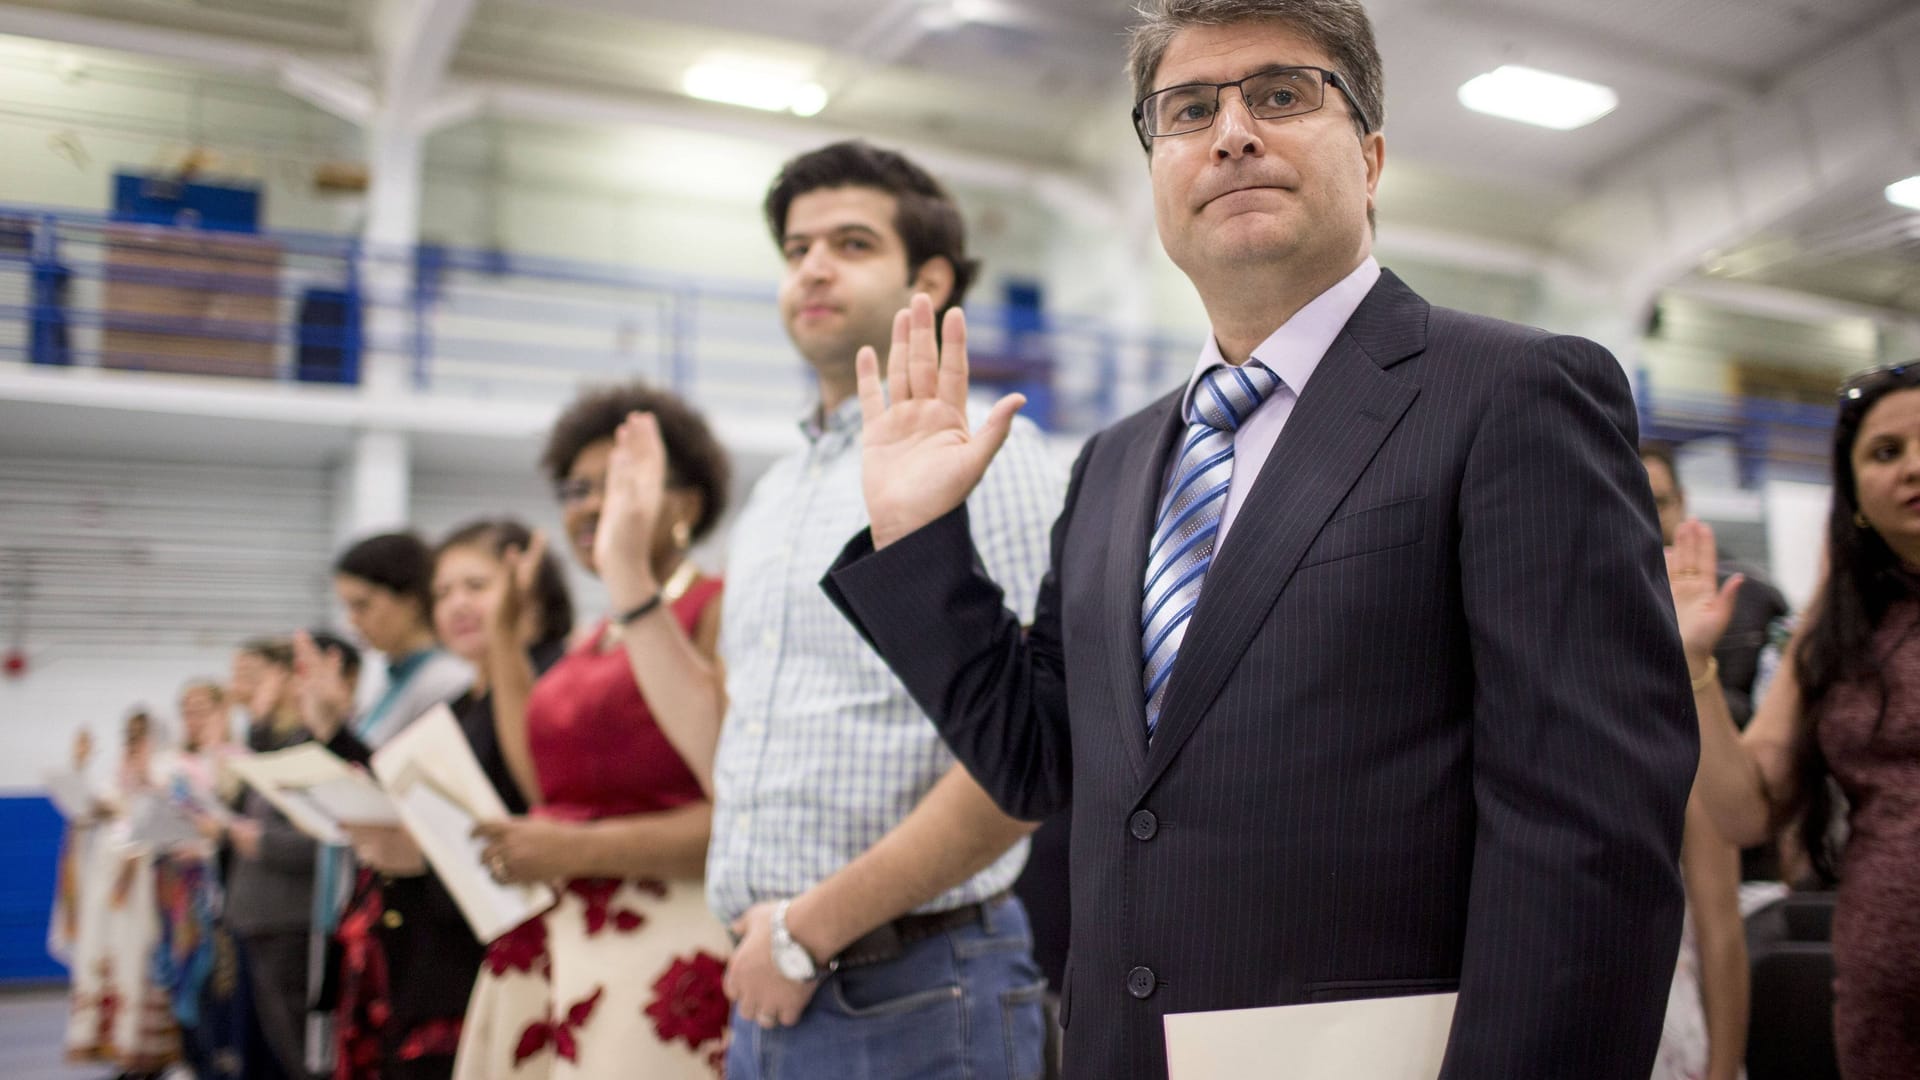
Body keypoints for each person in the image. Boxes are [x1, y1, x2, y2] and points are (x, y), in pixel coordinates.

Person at [817, 2, 1698, 1077]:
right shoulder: (1118, 462)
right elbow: (1042, 764)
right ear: (1157, 176)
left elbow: (1590, 835)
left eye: (1281, 95)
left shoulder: (1511, 395)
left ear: (1369, 158)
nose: (1231, 132)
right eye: (1188, 110)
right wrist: (918, 539)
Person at [678, 141, 1062, 1080]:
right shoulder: (775, 492)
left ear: (927, 277)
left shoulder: (985, 456)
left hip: (919, 982)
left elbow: (1027, 759)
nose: (810, 266)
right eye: (796, 248)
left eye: (850, 243)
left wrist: (810, 932)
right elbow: (741, 737)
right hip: (770, 980)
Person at [452, 383, 733, 1079]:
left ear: (687, 505)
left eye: (615, 482)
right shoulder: (597, 636)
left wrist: (570, 848)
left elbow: (741, 813)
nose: (584, 506)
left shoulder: (715, 608)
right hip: (560, 937)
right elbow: (542, 785)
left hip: (665, 944)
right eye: (573, 489)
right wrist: (505, 641)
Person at [1674, 360, 1920, 1080]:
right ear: (1856, 501)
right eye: (1885, 452)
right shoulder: (1836, 631)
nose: (1913, 468)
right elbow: (1748, 809)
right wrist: (1695, 663)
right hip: (1885, 1002)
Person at [326, 518, 573, 1080]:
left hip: (503, 946)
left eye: (476, 587)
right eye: (442, 593)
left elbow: (539, 811)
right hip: (435, 939)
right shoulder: (463, 700)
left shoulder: (554, 683)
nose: (457, 605)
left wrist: (422, 856)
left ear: (529, 588)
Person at [219, 635, 350, 1080]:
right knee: (282, 1041)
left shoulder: (310, 741)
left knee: (301, 1045)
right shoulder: (271, 742)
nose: (257, 691)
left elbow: (331, 834)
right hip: (261, 913)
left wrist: (264, 842)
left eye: (262, 679)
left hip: (290, 915)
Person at [63, 707, 180, 1076]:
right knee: (107, 967)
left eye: (141, 734)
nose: (133, 742)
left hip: (144, 892)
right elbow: (87, 811)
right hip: (108, 891)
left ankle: (146, 1057)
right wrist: (78, 768)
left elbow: (167, 819)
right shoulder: (116, 776)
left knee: (140, 969)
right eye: (129, 734)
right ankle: (122, 1054)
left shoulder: (168, 772)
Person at [153, 678, 253, 1080]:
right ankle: (194, 1059)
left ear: (222, 709)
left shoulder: (237, 756)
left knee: (219, 978)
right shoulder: (172, 762)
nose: (193, 718)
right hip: (180, 885)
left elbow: (231, 811)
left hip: (221, 886)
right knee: (181, 975)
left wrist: (217, 749)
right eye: (186, 710)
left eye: (201, 709)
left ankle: (222, 1060)